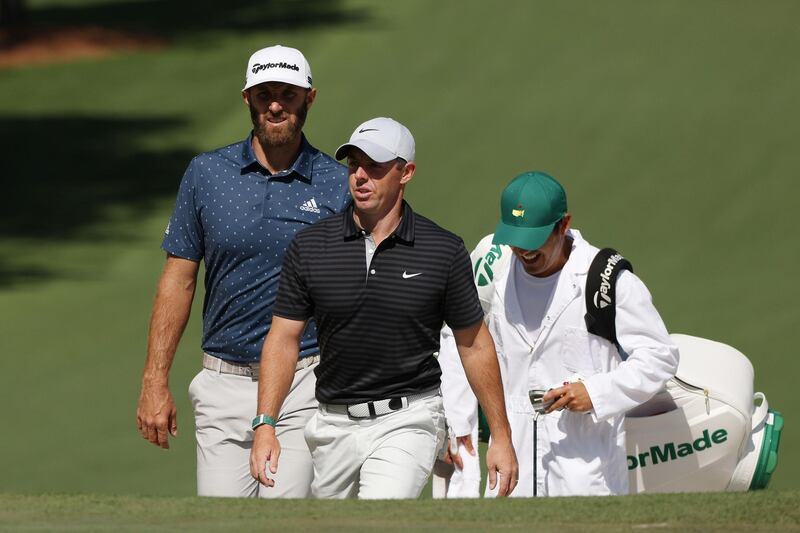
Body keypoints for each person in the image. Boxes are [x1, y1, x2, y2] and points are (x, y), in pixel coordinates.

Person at [248, 117, 519, 499]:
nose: (360, 176)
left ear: (405, 172)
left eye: (374, 167)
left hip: (409, 419)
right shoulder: (310, 247)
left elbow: (474, 343)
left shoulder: (443, 250)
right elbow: (283, 338)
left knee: (381, 518)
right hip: (331, 424)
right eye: (354, 164)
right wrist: (265, 424)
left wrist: (501, 437)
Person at [136, 45, 350, 498]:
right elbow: (179, 278)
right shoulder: (206, 174)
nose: (276, 105)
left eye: (287, 94)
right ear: (247, 99)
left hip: (303, 383)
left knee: (283, 515)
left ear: (308, 99)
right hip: (221, 383)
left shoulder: (336, 183)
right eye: (264, 94)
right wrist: (155, 382)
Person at [440, 171, 679, 497]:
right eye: (515, 238)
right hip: (511, 460)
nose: (523, 251)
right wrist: (459, 424)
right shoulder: (492, 261)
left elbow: (659, 356)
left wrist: (595, 392)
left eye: (534, 240)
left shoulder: (604, 279)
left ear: (564, 224)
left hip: (587, 467)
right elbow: (458, 335)